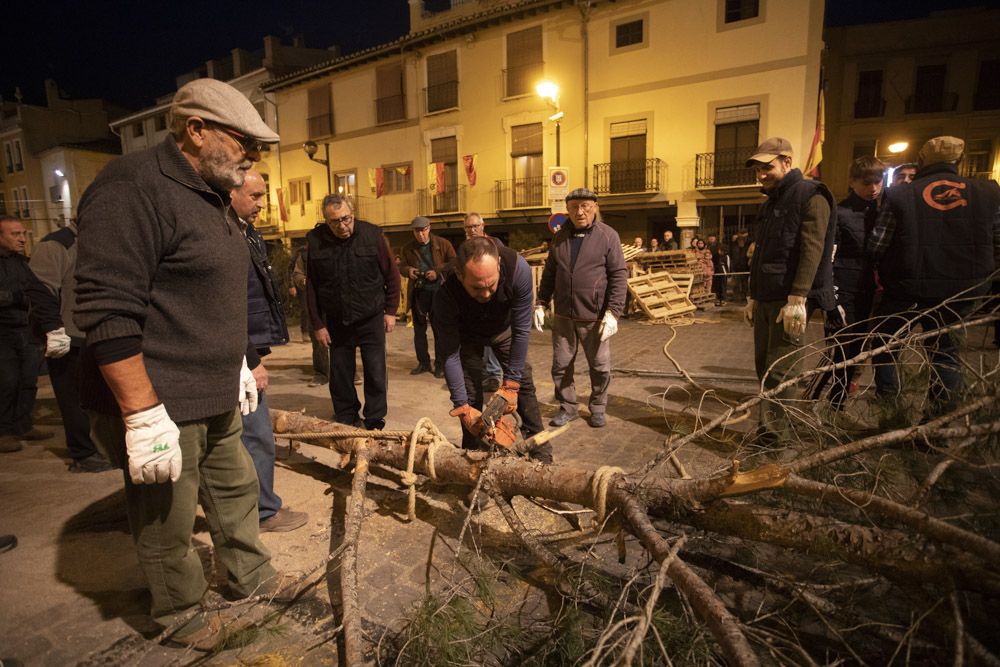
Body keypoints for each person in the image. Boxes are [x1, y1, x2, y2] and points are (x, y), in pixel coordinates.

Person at [74, 78, 299, 649]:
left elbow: (213, 299)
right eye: (241, 139)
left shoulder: (214, 198)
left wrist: (241, 363)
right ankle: (182, 615)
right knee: (166, 520)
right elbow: (106, 310)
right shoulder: (132, 188)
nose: (251, 153)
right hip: (161, 400)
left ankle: (251, 575)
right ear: (194, 130)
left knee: (236, 491)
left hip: (217, 391)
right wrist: (141, 413)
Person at [868, 136, 1000, 420]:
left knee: (885, 346)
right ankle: (937, 427)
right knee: (946, 355)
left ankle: (891, 417)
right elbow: (998, 240)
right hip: (961, 293)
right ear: (960, 161)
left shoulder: (901, 194)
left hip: (907, 289)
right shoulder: (988, 192)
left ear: (922, 161)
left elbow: (878, 244)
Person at [744, 137, 836, 443]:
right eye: (757, 170)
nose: (761, 174)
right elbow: (762, 254)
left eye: (766, 167)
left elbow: (813, 249)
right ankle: (769, 428)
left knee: (781, 371)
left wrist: (798, 299)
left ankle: (773, 439)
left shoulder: (810, 195)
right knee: (764, 368)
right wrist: (752, 296)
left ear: (787, 161)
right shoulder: (772, 202)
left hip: (789, 302)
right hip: (767, 299)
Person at [231, 169, 307, 533]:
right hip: (239, 353)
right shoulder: (226, 235)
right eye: (256, 196)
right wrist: (250, 360)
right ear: (232, 192)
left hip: (248, 346)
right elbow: (227, 306)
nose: (262, 204)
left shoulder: (248, 233)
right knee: (256, 434)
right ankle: (263, 512)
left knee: (250, 432)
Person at [434, 237, 550, 462]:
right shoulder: (444, 290)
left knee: (524, 382)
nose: (486, 294)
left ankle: (541, 452)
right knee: (469, 394)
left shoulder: (519, 270)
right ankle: (472, 458)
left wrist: (512, 383)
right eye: (477, 287)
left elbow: (521, 331)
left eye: (491, 285)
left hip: (503, 329)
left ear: (498, 265)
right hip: (466, 334)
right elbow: (449, 353)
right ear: (459, 275)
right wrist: (461, 407)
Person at [535, 188, 628, 428]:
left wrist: (613, 313)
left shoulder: (608, 236)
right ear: (567, 209)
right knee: (561, 365)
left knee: (599, 366)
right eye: (574, 206)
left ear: (595, 207)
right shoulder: (560, 237)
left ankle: (597, 407)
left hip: (595, 316)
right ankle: (568, 407)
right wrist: (541, 302)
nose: (580, 211)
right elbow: (550, 273)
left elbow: (618, 275)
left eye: (585, 206)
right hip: (564, 316)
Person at [306, 194, 400, 431]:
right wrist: (318, 324)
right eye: (334, 221)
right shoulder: (316, 241)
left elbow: (392, 274)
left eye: (345, 219)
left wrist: (390, 311)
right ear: (326, 221)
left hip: (371, 317)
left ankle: (375, 418)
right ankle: (346, 414)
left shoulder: (372, 235)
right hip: (337, 320)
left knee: (376, 371)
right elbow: (311, 287)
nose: (342, 225)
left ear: (353, 214)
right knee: (339, 374)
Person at [26, 219, 112, 471]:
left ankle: (99, 448)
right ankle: (84, 454)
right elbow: (40, 290)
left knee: (98, 399)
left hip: (96, 334)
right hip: (69, 336)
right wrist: (53, 329)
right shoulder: (57, 244)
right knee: (74, 399)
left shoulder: (96, 242)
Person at [826, 157, 884, 411]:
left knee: (864, 346)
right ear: (852, 182)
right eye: (866, 182)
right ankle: (836, 400)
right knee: (844, 347)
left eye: (878, 181)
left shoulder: (884, 210)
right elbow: (831, 253)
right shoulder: (841, 213)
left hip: (875, 288)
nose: (873, 188)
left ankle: (844, 396)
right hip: (846, 286)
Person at [0, 217, 51, 453]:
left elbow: (35, 290)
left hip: (26, 330)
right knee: (7, 382)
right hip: (4, 334)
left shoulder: (22, 263)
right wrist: (15, 297)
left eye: (23, 233)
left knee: (28, 380)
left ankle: (23, 424)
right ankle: (5, 431)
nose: (22, 238)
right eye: (15, 234)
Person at [399, 216, 455, 378]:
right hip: (419, 292)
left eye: (423, 230)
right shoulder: (408, 248)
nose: (420, 234)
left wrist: (437, 271)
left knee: (439, 330)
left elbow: (453, 262)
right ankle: (423, 362)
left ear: (429, 228)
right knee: (419, 330)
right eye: (417, 231)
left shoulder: (443, 244)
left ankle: (440, 364)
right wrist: (409, 271)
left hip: (439, 292)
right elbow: (401, 266)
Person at [463, 212, 503, 391]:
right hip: (474, 301)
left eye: (475, 226)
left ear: (482, 226)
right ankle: (483, 374)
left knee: (493, 337)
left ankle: (494, 375)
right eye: (468, 227)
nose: (472, 230)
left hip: (494, 299)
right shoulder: (465, 248)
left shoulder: (495, 244)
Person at [291, 245, 329, 386]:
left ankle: (351, 372)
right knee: (318, 338)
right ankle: (321, 373)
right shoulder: (306, 254)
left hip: (339, 302)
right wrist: (305, 282)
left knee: (344, 339)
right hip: (315, 302)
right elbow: (297, 273)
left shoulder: (341, 249)